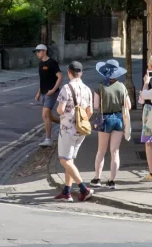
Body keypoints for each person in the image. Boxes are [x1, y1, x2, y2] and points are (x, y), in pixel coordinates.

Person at [54, 61, 94, 202]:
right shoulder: (87, 89)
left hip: (67, 130)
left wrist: (62, 112)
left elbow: (60, 109)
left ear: (69, 72)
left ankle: (84, 189)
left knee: (64, 160)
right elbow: (90, 112)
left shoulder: (66, 88)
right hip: (81, 130)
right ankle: (66, 191)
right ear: (81, 73)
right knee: (70, 159)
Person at [90, 59, 131, 188]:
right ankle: (111, 181)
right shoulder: (122, 86)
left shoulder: (100, 86)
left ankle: (97, 179)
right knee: (115, 151)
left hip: (105, 120)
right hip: (118, 120)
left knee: (101, 151)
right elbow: (128, 106)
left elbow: (96, 106)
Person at [33, 44, 62, 147]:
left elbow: (60, 77)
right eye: (36, 52)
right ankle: (68, 124)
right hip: (44, 92)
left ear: (44, 51)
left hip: (52, 93)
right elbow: (43, 80)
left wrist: (53, 90)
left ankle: (48, 139)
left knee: (45, 115)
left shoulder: (52, 63)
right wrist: (38, 93)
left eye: (39, 51)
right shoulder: (41, 64)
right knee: (50, 117)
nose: (37, 53)